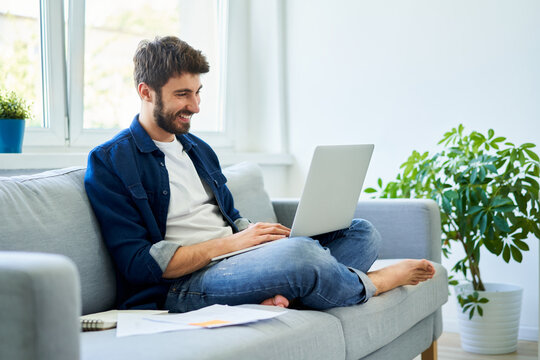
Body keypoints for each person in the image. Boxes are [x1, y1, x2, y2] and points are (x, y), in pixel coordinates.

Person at [84, 36, 435, 312]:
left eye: (198, 93)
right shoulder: (110, 162)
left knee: (362, 233)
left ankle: (286, 291)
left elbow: (228, 217)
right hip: (184, 285)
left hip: (237, 261)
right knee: (302, 257)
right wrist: (233, 244)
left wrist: (255, 235)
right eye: (182, 94)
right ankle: (371, 283)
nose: (195, 106)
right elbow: (138, 264)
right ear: (145, 92)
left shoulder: (197, 149)